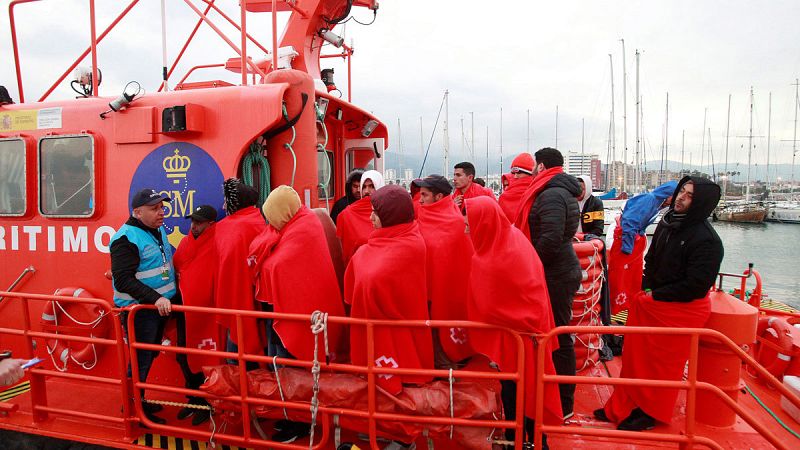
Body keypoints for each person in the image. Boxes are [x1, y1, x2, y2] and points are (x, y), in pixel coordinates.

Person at [596, 176, 723, 431]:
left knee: (661, 366)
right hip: (654, 303)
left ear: (700, 203)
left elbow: (696, 285)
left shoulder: (707, 241)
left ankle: (649, 411)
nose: (681, 198)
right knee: (635, 357)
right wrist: (646, 289)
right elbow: (652, 261)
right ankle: (625, 404)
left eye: (689, 196)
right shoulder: (667, 224)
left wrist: (655, 296)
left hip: (681, 310)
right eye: (681, 192)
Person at [249, 186, 346, 443]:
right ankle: (289, 413)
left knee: (293, 366)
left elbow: (279, 265)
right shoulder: (292, 224)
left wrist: (266, 257)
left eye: (272, 216)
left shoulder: (304, 228)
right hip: (286, 311)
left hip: (300, 315)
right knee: (281, 363)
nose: (269, 222)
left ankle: (300, 420)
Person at [465, 197, 561, 448]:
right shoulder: (514, 238)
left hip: (520, 337)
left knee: (515, 389)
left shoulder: (490, 257)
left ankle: (517, 438)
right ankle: (535, 439)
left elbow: (486, 305)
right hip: (534, 331)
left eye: (470, 219)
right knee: (532, 390)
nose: (466, 225)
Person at [110, 188, 197, 425]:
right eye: (155, 209)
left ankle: (139, 401)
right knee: (141, 360)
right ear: (137, 212)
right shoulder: (125, 239)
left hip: (158, 309)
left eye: (162, 207)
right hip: (139, 312)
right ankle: (133, 410)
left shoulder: (156, 230)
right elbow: (123, 279)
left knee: (148, 356)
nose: (162, 212)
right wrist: (155, 298)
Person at [344, 185, 433, 396]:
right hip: (375, 326)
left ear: (391, 215)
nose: (371, 218)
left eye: (377, 212)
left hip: (393, 328)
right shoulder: (384, 240)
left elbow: (376, 282)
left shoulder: (410, 245)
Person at [514, 147, 582, 418]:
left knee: (558, 335)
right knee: (556, 333)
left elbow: (551, 238)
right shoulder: (558, 190)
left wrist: (530, 264)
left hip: (556, 273)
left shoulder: (551, 193)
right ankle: (558, 396)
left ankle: (564, 402)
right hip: (558, 270)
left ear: (540, 167)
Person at [416, 175, 474, 365]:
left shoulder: (455, 223)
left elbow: (460, 260)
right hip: (425, 289)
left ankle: (446, 363)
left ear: (439, 196)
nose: (420, 199)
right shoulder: (421, 217)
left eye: (424, 195)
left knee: (441, 336)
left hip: (447, 291)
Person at [172, 204, 221, 425]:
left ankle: (207, 403)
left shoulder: (218, 241)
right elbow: (179, 265)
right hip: (185, 309)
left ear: (211, 223)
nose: (194, 225)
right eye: (193, 221)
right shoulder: (186, 241)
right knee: (184, 355)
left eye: (199, 222)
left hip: (208, 314)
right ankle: (193, 399)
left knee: (207, 358)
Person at [214, 178, 267, 361]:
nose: (222, 206)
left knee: (235, 354)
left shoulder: (229, 228)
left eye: (226, 201)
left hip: (237, 299)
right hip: (257, 299)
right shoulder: (259, 221)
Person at [606, 180, 676, 316]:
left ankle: (625, 308)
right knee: (620, 279)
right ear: (669, 194)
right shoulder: (649, 200)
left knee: (631, 280)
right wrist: (627, 246)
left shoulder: (657, 203)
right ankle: (615, 310)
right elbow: (630, 220)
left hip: (633, 244)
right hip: (628, 244)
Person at [336, 170, 385, 266]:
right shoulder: (347, 214)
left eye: (372, 186)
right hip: (359, 267)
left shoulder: (389, 211)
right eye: (364, 187)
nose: (367, 191)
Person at [498, 153, 535, 222]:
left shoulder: (537, 192)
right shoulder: (539, 192)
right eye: (513, 173)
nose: (515, 176)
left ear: (530, 174)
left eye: (519, 173)